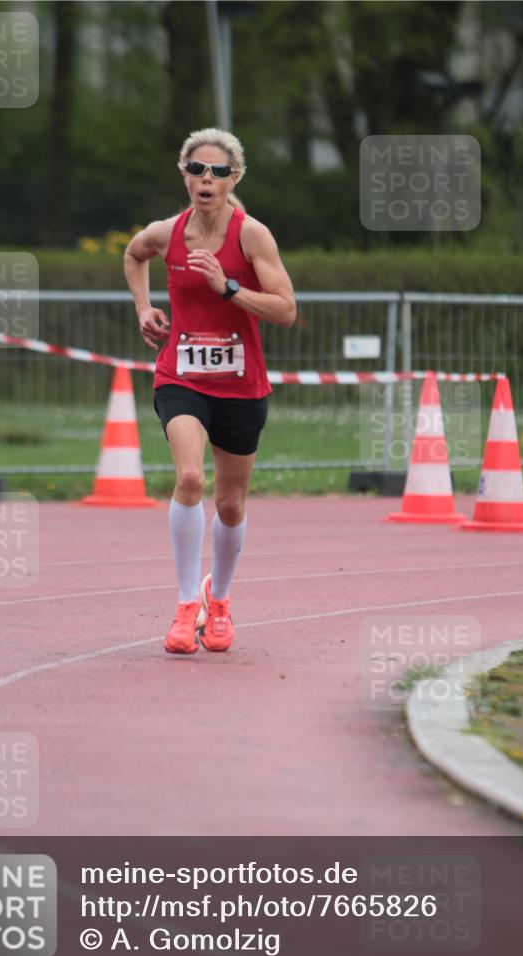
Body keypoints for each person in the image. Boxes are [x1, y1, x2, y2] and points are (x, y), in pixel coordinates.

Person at [124, 127, 296, 655]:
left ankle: (217, 600)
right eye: (198, 169)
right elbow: (134, 256)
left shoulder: (252, 236)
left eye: (219, 171)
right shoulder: (166, 231)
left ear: (235, 178)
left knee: (231, 503)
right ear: (184, 174)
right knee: (191, 477)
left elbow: (286, 310)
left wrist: (229, 287)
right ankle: (183, 608)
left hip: (241, 386)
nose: (207, 179)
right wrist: (144, 309)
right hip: (181, 376)